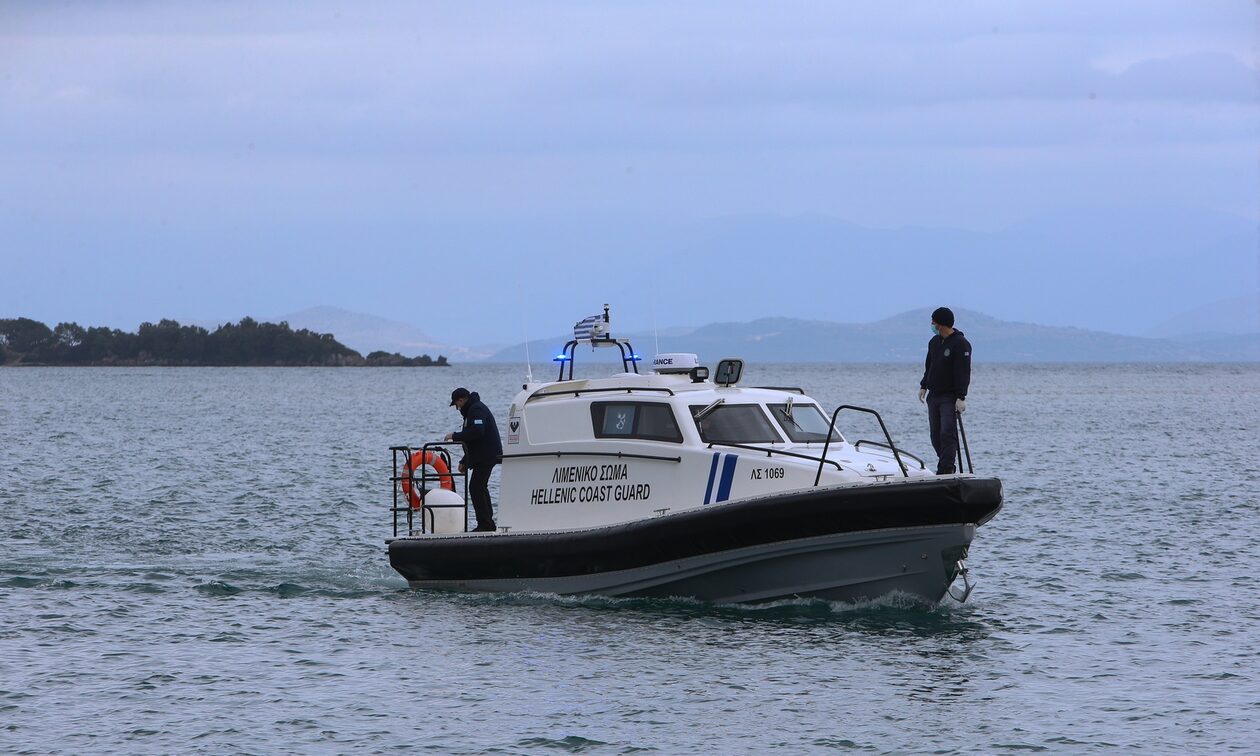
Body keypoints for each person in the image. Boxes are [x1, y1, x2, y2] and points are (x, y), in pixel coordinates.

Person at [918, 307, 971, 475]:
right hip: (934, 396)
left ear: (941, 324)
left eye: (934, 321)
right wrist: (924, 385)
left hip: (950, 397)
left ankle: (946, 469)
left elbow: (963, 372)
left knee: (947, 433)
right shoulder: (934, 342)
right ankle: (946, 463)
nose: (932, 324)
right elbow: (929, 366)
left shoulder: (961, 344)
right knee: (936, 436)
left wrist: (961, 397)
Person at [444, 387, 503, 532]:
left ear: (461, 400)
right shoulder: (472, 410)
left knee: (476, 487)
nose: (457, 408)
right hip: (482, 454)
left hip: (487, 455)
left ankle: (486, 525)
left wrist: (454, 435)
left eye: (457, 405)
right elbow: (474, 442)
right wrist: (465, 460)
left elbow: (477, 432)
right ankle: (487, 523)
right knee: (479, 487)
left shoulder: (476, 409)